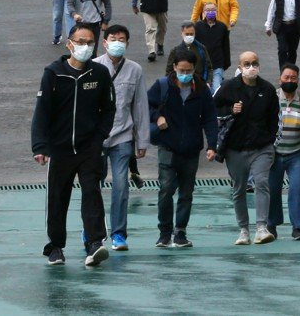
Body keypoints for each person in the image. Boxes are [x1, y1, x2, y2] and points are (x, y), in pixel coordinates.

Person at [30, 23, 116, 267]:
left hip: (90, 147)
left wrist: (100, 136)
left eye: (90, 42)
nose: (85, 46)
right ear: (69, 43)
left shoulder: (99, 74)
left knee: (92, 193)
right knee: (57, 198)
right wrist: (40, 146)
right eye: (80, 41)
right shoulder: (53, 73)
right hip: (60, 149)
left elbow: (108, 109)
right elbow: (42, 112)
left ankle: (95, 243)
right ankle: (55, 247)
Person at [146, 47, 219, 249]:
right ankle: (164, 232)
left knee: (186, 193)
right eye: (182, 70)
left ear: (194, 68)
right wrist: (157, 117)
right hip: (168, 147)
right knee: (166, 189)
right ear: (175, 67)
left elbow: (210, 118)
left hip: (191, 150)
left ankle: (180, 232)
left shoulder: (202, 89)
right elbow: (146, 105)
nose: (185, 74)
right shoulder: (163, 86)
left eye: (189, 71)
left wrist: (212, 145)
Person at [92, 25, 150, 253]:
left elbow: (140, 106)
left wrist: (142, 140)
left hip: (123, 136)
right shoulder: (94, 66)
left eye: (122, 39)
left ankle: (118, 233)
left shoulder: (135, 70)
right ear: (105, 42)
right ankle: (93, 230)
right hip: (96, 138)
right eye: (113, 38)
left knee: (120, 185)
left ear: (127, 43)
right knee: (93, 186)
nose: (117, 42)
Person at [213, 51, 279, 245]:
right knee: (239, 189)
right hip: (235, 147)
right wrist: (230, 110)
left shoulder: (267, 89)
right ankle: (243, 230)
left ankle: (261, 227)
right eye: (247, 64)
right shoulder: (228, 87)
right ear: (240, 67)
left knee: (261, 182)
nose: (252, 67)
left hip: (262, 147)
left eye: (255, 63)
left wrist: (270, 139)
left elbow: (274, 117)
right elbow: (213, 108)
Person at [266, 64, 300, 241]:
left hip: (297, 154)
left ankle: (297, 227)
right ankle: (271, 226)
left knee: (297, 189)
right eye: (286, 77)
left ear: (298, 79)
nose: (289, 80)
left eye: (293, 78)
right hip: (274, 153)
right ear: (280, 78)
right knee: (272, 190)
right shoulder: (270, 98)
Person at [193, 3, 230, 93]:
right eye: (208, 10)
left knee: (216, 89)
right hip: (202, 66)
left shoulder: (222, 27)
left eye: (213, 10)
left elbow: (226, 46)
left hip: (217, 65)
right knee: (203, 89)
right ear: (203, 12)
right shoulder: (197, 27)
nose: (210, 12)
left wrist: (226, 63)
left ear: (217, 12)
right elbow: (194, 46)